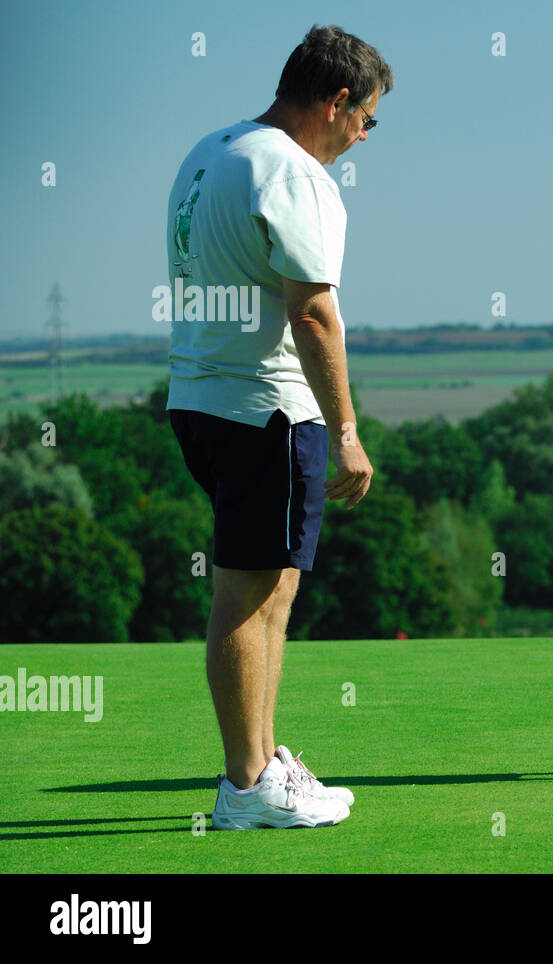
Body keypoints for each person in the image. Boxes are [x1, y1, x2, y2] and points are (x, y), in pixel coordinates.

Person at [164, 25, 391, 828]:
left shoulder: (210, 151)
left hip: (199, 395)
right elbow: (315, 313)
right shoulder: (295, 173)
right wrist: (350, 431)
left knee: (272, 587)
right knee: (249, 594)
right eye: (365, 120)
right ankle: (244, 785)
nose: (362, 138)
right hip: (265, 407)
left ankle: (263, 767)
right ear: (334, 101)